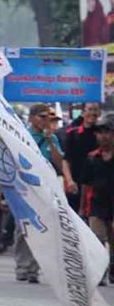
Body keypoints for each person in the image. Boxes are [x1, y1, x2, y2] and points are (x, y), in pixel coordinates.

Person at [15, 104, 68, 283]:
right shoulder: (23, 135)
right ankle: (22, 266)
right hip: (25, 186)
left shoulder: (51, 137)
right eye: (41, 116)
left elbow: (59, 162)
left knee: (42, 227)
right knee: (24, 228)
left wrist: (50, 140)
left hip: (45, 188)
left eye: (48, 117)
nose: (45, 120)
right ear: (31, 118)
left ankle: (33, 269)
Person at [81, 115, 114, 286]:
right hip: (97, 205)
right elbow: (86, 184)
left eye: (107, 132)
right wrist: (82, 209)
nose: (103, 136)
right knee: (97, 239)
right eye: (100, 132)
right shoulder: (92, 157)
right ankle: (100, 273)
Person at [64, 102, 100, 214]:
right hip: (76, 183)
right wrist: (69, 180)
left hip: (97, 185)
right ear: (83, 113)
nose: (92, 113)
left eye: (95, 110)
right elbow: (66, 159)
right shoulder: (73, 134)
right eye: (89, 109)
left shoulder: (104, 134)